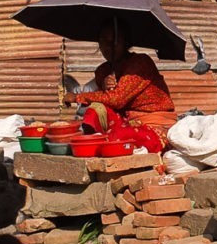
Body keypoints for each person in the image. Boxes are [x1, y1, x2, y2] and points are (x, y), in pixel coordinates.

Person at [65, 18, 176, 153]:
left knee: (119, 137)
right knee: (95, 110)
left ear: (126, 43)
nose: (108, 46)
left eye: (115, 41)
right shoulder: (103, 71)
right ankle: (92, 142)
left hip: (154, 126)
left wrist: (77, 97)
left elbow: (116, 100)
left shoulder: (140, 63)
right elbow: (106, 101)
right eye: (104, 40)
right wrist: (105, 88)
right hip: (127, 122)